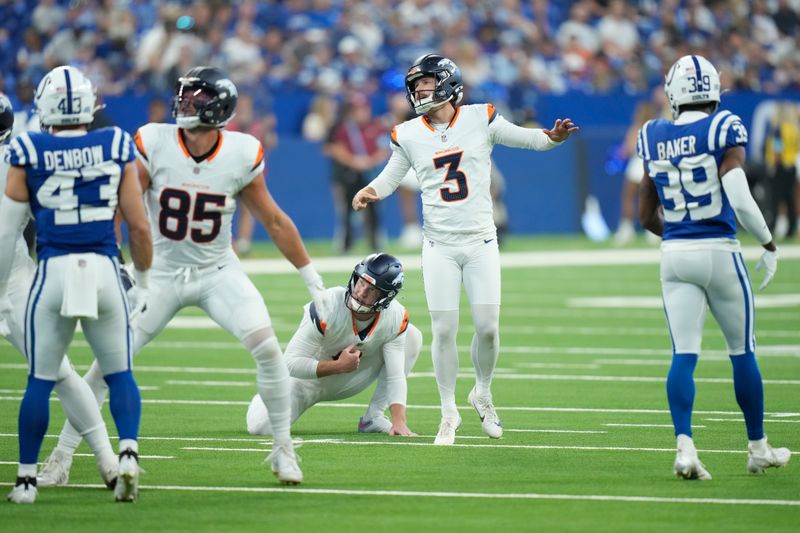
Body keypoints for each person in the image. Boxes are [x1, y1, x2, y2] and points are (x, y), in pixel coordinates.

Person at [40, 66, 328, 486]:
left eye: (195, 98)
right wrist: (117, 260)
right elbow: (125, 203)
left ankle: (283, 451)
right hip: (158, 273)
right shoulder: (154, 141)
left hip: (217, 271)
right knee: (106, 365)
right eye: (184, 95)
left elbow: (274, 220)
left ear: (217, 107)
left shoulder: (241, 151)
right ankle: (61, 457)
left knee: (268, 349)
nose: (184, 103)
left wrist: (311, 277)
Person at [352, 54, 577, 445]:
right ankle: (447, 411)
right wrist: (371, 190)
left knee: (488, 328)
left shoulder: (480, 117)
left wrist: (551, 138)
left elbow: (528, 138)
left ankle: (483, 393)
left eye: (426, 82)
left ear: (448, 83)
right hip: (438, 244)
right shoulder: (407, 133)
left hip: (480, 242)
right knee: (443, 330)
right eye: (416, 85)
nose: (419, 90)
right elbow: (391, 177)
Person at [0, 66, 153, 503]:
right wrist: (142, 284)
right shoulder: (115, 143)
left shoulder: (28, 148)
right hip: (102, 266)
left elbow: (6, 233)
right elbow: (139, 227)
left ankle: (27, 481)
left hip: (52, 271)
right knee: (119, 372)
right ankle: (126, 454)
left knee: (40, 379)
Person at [638, 55, 791, 480]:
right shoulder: (723, 126)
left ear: (673, 91)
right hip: (720, 249)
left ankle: (685, 448)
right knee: (742, 351)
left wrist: (679, 236)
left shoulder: (652, 134)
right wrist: (768, 241)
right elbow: (738, 195)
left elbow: (645, 214)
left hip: (675, 253)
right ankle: (758, 447)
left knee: (683, 354)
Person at [246, 253, 420, 437]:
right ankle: (267, 396)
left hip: (354, 376)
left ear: (386, 297)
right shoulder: (328, 304)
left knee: (412, 337)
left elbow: (395, 375)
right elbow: (289, 363)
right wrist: (338, 366)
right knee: (261, 427)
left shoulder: (395, 316)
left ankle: (373, 418)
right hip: (306, 381)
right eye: (361, 283)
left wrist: (399, 422)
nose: (360, 292)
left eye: (371, 290)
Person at [328, 93, 389, 252]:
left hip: (371, 173)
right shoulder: (344, 128)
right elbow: (335, 148)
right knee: (347, 209)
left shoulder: (377, 126)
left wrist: (370, 161)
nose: (359, 113)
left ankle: (375, 242)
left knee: (374, 210)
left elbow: (384, 148)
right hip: (350, 173)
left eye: (362, 109)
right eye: (355, 110)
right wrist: (354, 161)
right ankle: (347, 243)